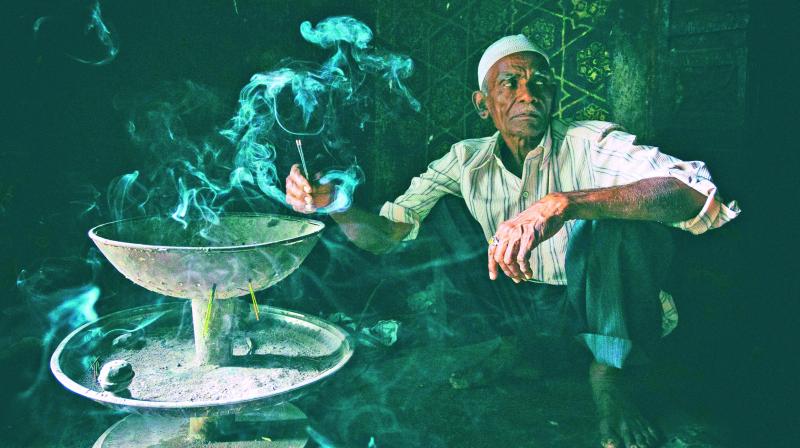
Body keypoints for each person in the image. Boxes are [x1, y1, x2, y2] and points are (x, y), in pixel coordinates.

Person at [285, 35, 739, 448]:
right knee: (444, 216)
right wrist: (334, 204)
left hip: (603, 306)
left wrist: (566, 203)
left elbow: (696, 192)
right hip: (527, 311)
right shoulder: (465, 159)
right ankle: (514, 346)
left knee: (617, 215)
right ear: (483, 105)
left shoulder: (589, 142)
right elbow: (386, 236)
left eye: (540, 82)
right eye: (511, 83)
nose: (528, 94)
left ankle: (608, 376)